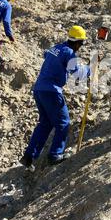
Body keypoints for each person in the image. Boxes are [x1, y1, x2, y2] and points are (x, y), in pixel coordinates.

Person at [20, 26, 91, 169]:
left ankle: (29, 156)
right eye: (81, 43)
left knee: (45, 123)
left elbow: (48, 56)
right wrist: (90, 68)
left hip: (39, 89)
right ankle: (55, 155)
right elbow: (78, 74)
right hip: (52, 92)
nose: (80, 46)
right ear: (78, 42)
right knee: (63, 122)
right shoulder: (69, 52)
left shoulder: (56, 48)